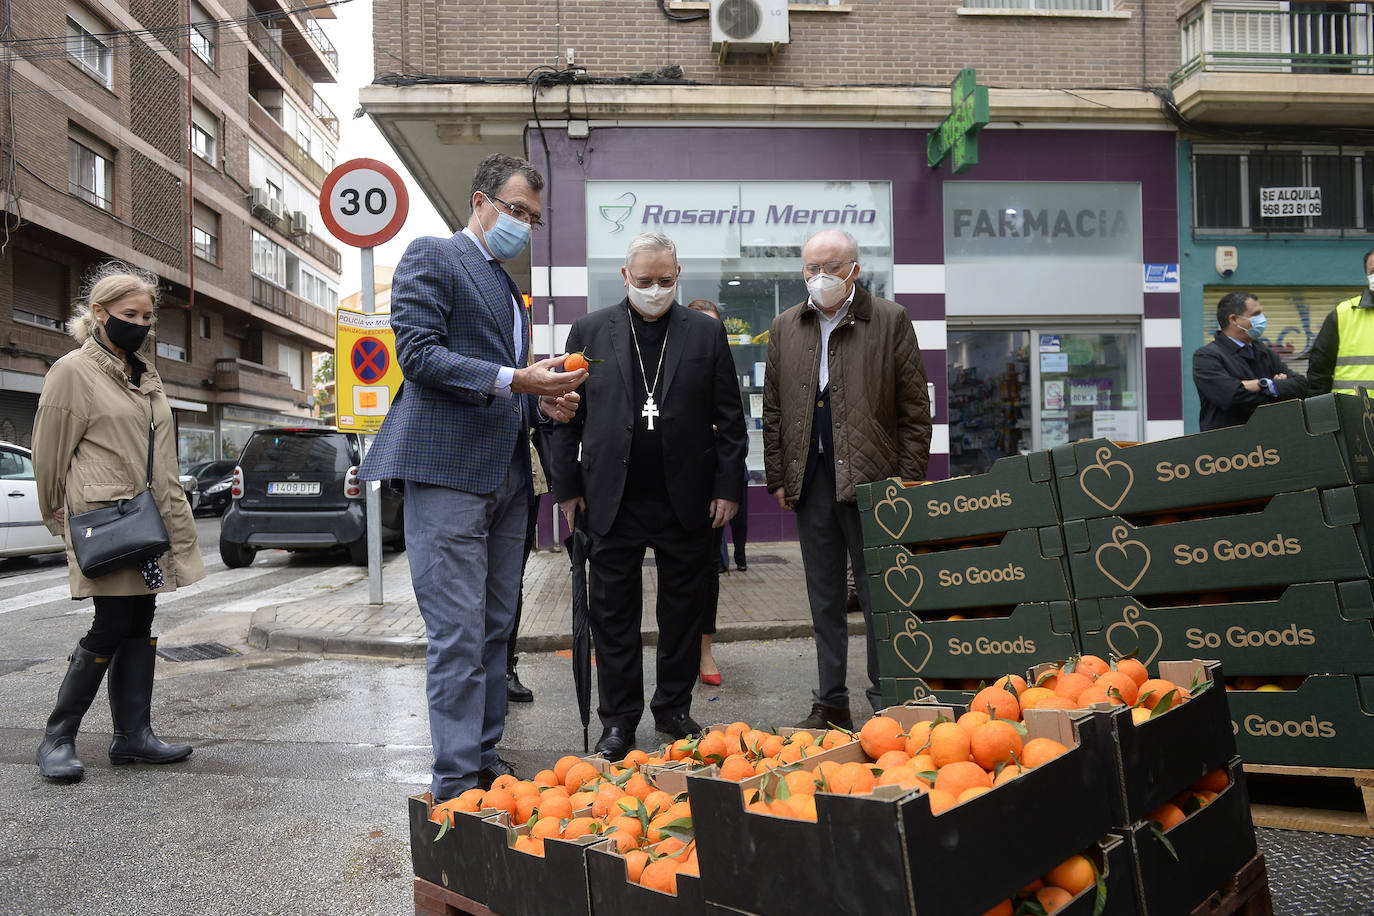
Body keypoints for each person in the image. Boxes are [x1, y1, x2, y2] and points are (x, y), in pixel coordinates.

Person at [359, 153, 586, 802]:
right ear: (480, 201)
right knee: (458, 633)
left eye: (533, 219)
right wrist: (519, 378)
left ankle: (482, 757)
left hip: (510, 475)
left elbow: (500, 380)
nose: (523, 225)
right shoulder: (433, 256)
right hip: (449, 473)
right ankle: (455, 782)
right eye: (515, 210)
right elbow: (421, 355)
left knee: (493, 628)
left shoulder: (509, 290)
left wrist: (540, 398)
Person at [550, 232, 747, 762]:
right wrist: (565, 490)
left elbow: (731, 418)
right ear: (624, 277)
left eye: (665, 280)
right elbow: (565, 416)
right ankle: (618, 722)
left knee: (683, 611)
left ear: (678, 275)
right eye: (644, 281)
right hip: (610, 499)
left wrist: (729, 488)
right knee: (613, 616)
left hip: (687, 498)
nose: (655, 289)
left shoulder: (705, 334)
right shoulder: (589, 331)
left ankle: (674, 709)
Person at [31, 263, 206, 783]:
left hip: (148, 522)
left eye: (148, 317)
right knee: (109, 623)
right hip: (106, 520)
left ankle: (133, 736)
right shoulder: (72, 372)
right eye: (130, 314)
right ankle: (57, 738)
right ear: (100, 313)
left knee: (140, 621)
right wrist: (53, 511)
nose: (141, 324)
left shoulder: (144, 375)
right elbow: (48, 452)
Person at [763, 229, 932, 731]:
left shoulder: (890, 320)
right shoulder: (785, 326)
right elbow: (772, 410)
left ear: (854, 269)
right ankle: (830, 700)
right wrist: (778, 475)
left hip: (875, 482)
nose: (821, 277)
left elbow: (914, 410)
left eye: (832, 267)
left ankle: (886, 697)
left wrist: (909, 480)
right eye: (811, 268)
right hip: (811, 481)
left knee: (882, 596)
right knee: (824, 597)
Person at [685, 299, 739, 686]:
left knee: (706, 571)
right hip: (666, 483)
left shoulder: (723, 370)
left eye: (715, 330)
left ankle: (704, 650)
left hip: (709, 486)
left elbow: (733, 427)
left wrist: (727, 487)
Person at [1193, 291, 1307, 431]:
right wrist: (1276, 389)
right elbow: (1230, 397)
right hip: (1227, 445)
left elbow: (1301, 385)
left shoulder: (1265, 352)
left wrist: (1263, 385)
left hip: (1267, 442)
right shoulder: (1207, 357)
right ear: (1234, 319)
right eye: (1255, 314)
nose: (1262, 319)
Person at [506, 432, 551, 704]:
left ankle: (504, 669)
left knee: (511, 582)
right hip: (484, 477)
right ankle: (482, 674)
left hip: (525, 479)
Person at [1305, 247, 1374, 396]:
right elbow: (1318, 371)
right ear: (1366, 276)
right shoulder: (1343, 313)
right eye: (1373, 272)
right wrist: (1321, 412)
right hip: (1355, 413)